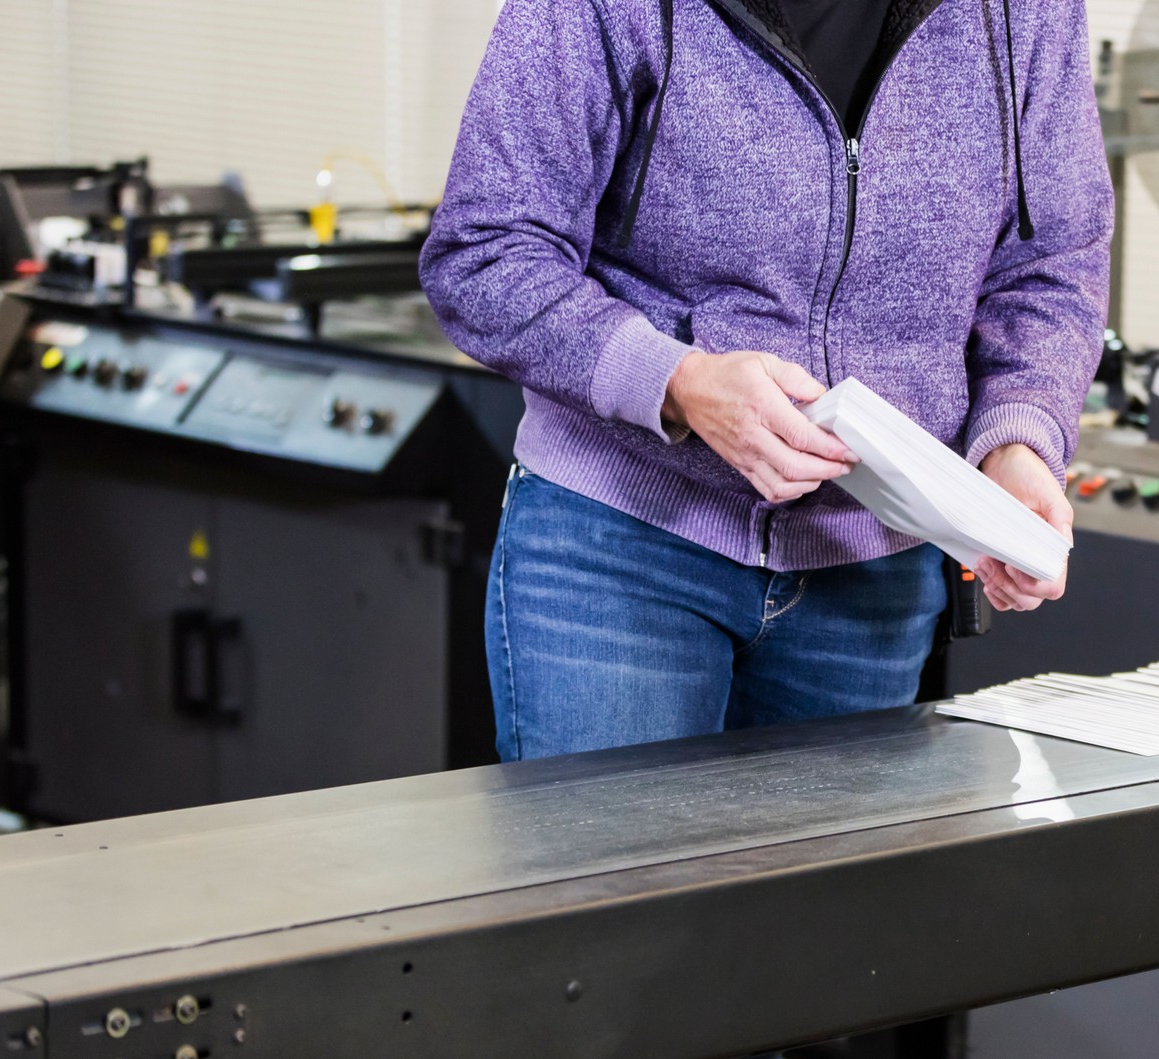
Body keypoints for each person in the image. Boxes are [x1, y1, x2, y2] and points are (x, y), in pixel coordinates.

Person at [420, 0, 1112, 761]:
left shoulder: (1027, 13)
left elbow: (1052, 262)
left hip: (871, 580)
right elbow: (484, 251)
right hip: (619, 554)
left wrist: (1018, 434)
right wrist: (677, 381)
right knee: (616, 883)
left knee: (815, 886)